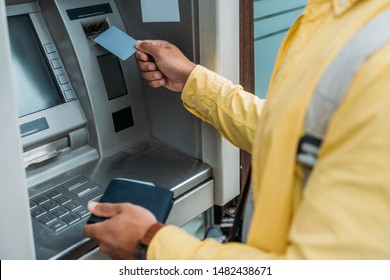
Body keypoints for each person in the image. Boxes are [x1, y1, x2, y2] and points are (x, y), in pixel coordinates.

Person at [84, 0, 390, 259]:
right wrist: (192, 80)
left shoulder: (378, 53)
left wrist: (152, 243)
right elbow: (292, 134)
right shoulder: (337, 17)